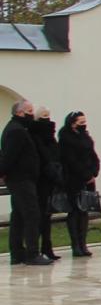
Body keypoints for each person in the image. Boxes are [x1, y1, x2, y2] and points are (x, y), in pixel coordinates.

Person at [1, 100, 50, 266]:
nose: (32, 114)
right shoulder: (16, 131)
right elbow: (8, 157)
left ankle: (17, 253)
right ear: (20, 113)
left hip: (23, 179)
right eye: (29, 111)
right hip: (21, 179)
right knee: (31, 214)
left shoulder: (19, 128)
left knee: (18, 216)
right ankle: (32, 253)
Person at [58, 111, 100, 258]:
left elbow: (93, 155)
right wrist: (85, 175)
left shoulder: (86, 137)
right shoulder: (65, 139)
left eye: (84, 122)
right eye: (80, 122)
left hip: (89, 179)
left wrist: (94, 172)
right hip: (74, 180)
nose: (84, 125)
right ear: (72, 124)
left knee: (84, 211)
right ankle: (75, 244)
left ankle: (83, 243)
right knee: (75, 210)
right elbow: (70, 161)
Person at [29, 106, 62, 260]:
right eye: (43, 115)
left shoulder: (50, 135)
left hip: (51, 180)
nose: (46, 118)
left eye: (48, 115)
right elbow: (41, 156)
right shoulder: (34, 134)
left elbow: (56, 153)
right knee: (40, 215)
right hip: (40, 180)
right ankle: (36, 249)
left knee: (47, 215)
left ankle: (47, 247)